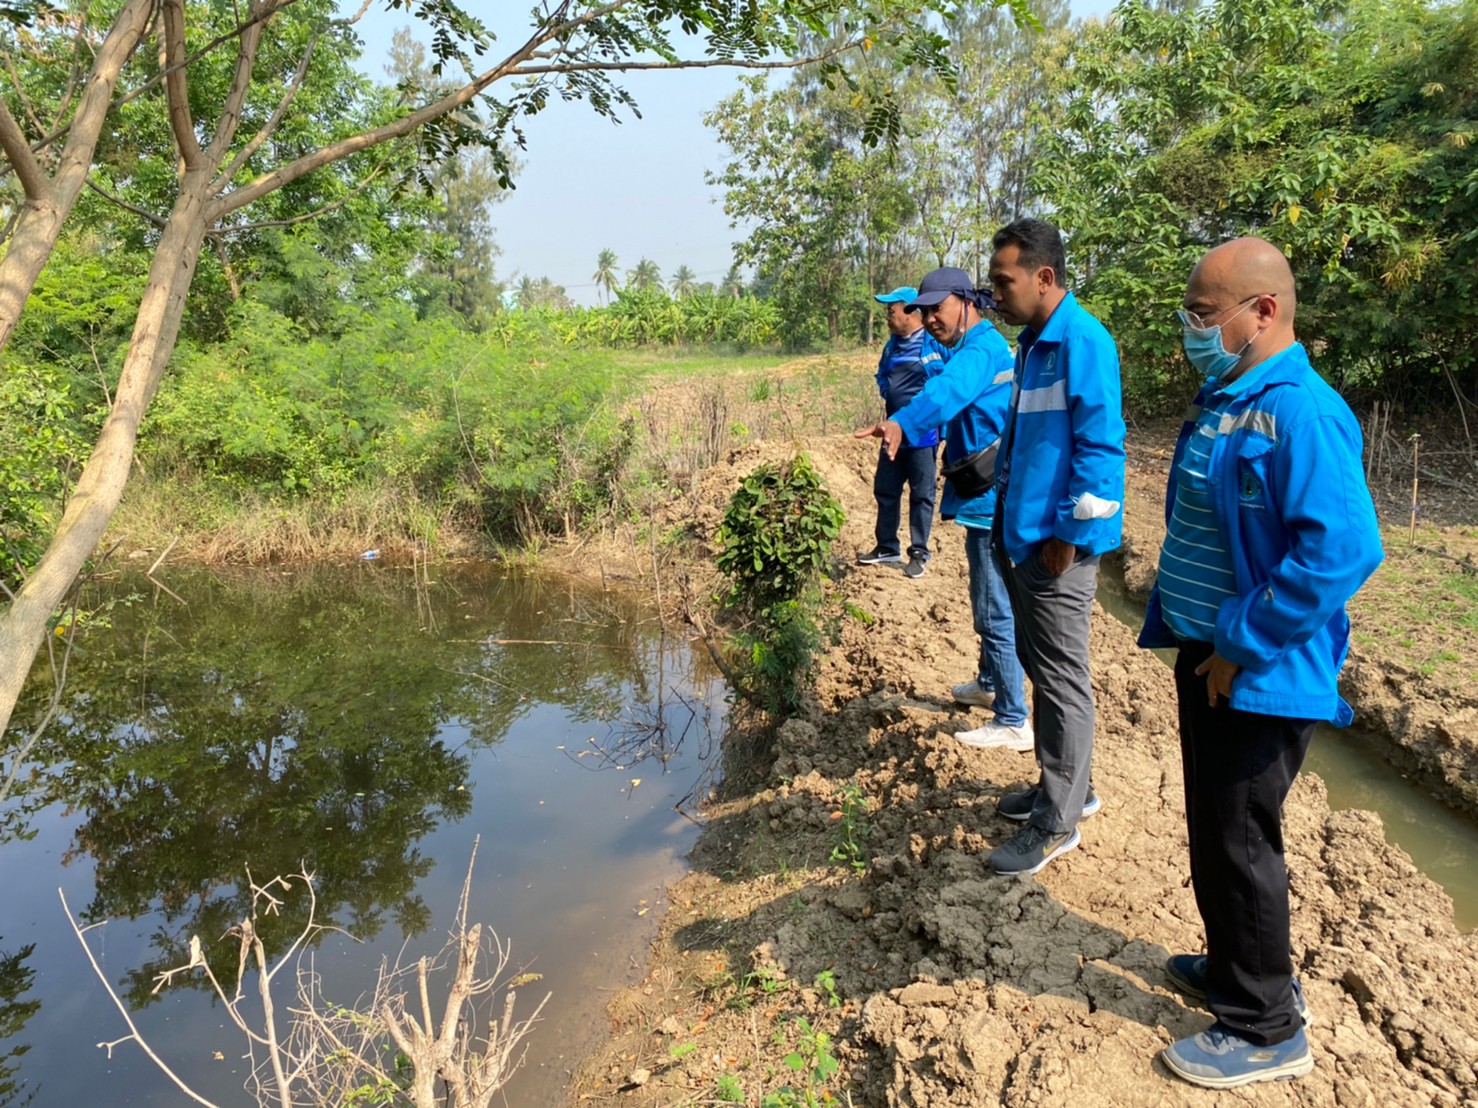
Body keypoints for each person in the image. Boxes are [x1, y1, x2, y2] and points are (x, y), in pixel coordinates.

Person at [1139, 237, 1382, 1089]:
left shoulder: (1300, 412)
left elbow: (1342, 549)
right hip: (1212, 657)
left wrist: (1239, 644)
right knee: (1217, 827)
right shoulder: (1230, 397)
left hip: (1256, 669)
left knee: (1242, 840)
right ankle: (1238, 964)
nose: (1191, 329)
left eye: (1204, 314)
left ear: (1263, 312)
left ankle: (1265, 1025)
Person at [986, 218, 1125, 877]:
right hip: (1024, 539)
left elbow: (1100, 452)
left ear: (1044, 277)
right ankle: (1066, 787)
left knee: (1063, 680)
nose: (995, 295)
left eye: (1003, 281)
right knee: (1043, 669)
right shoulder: (1033, 344)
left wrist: (1067, 541)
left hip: (1053, 549)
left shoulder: (1082, 341)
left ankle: (1056, 823)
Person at [854, 267, 1030, 751]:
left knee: (992, 607)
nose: (930, 318)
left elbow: (944, 392)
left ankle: (1012, 717)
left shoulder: (978, 352)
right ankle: (990, 683)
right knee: (989, 597)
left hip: (989, 495)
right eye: (924, 310)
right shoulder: (981, 345)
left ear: (966, 302)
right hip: (986, 489)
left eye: (938, 308)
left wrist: (901, 422)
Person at [856, 287, 942, 579]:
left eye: (891, 311)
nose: (887, 317)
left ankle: (919, 553)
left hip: (923, 434)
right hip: (892, 431)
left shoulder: (934, 343)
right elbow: (882, 374)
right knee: (886, 487)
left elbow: (949, 381)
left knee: (922, 493)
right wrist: (888, 391)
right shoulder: (892, 346)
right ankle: (886, 546)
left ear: (910, 312)